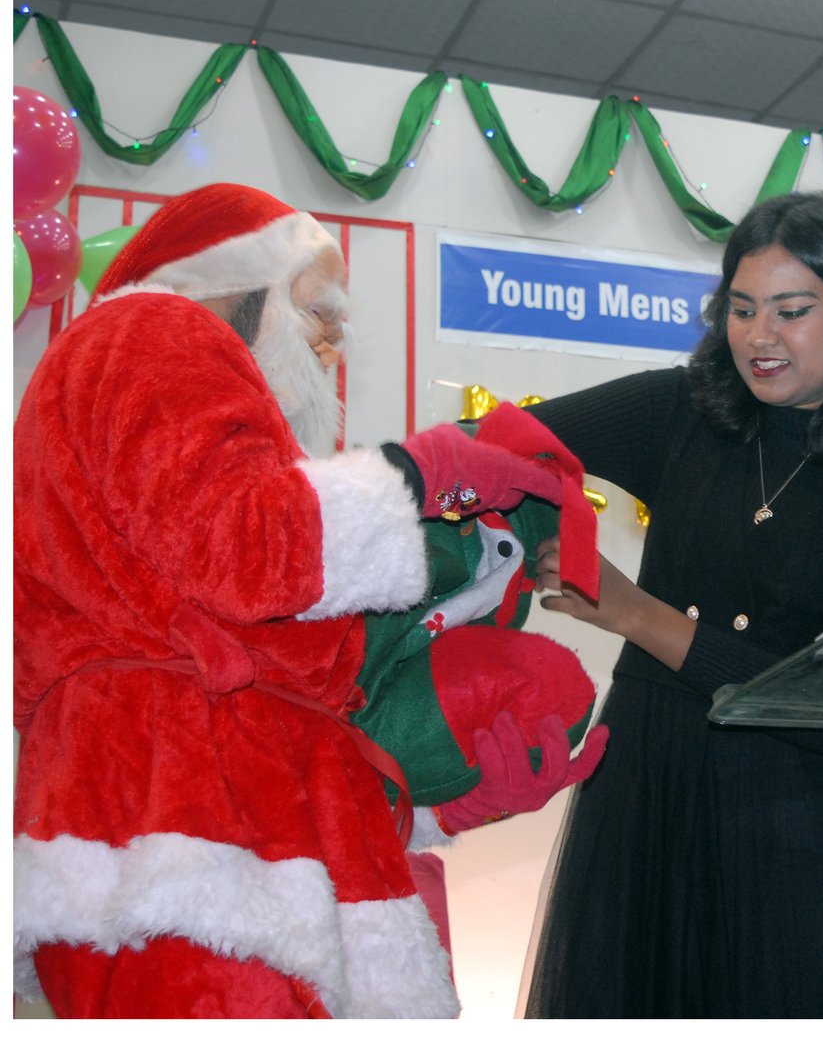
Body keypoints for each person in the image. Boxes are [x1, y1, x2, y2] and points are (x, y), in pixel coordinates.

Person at [12, 182, 601, 1019]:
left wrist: (440, 800)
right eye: (313, 301)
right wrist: (420, 471)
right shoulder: (152, 327)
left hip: (227, 829)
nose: (332, 335)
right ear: (221, 278)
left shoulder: (211, 447)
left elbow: (298, 706)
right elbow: (245, 549)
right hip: (171, 832)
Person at [519, 191, 823, 1018]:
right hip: (651, 789)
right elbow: (501, 446)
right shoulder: (681, 412)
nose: (760, 336)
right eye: (742, 308)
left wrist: (638, 615)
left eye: (791, 311)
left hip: (796, 826)